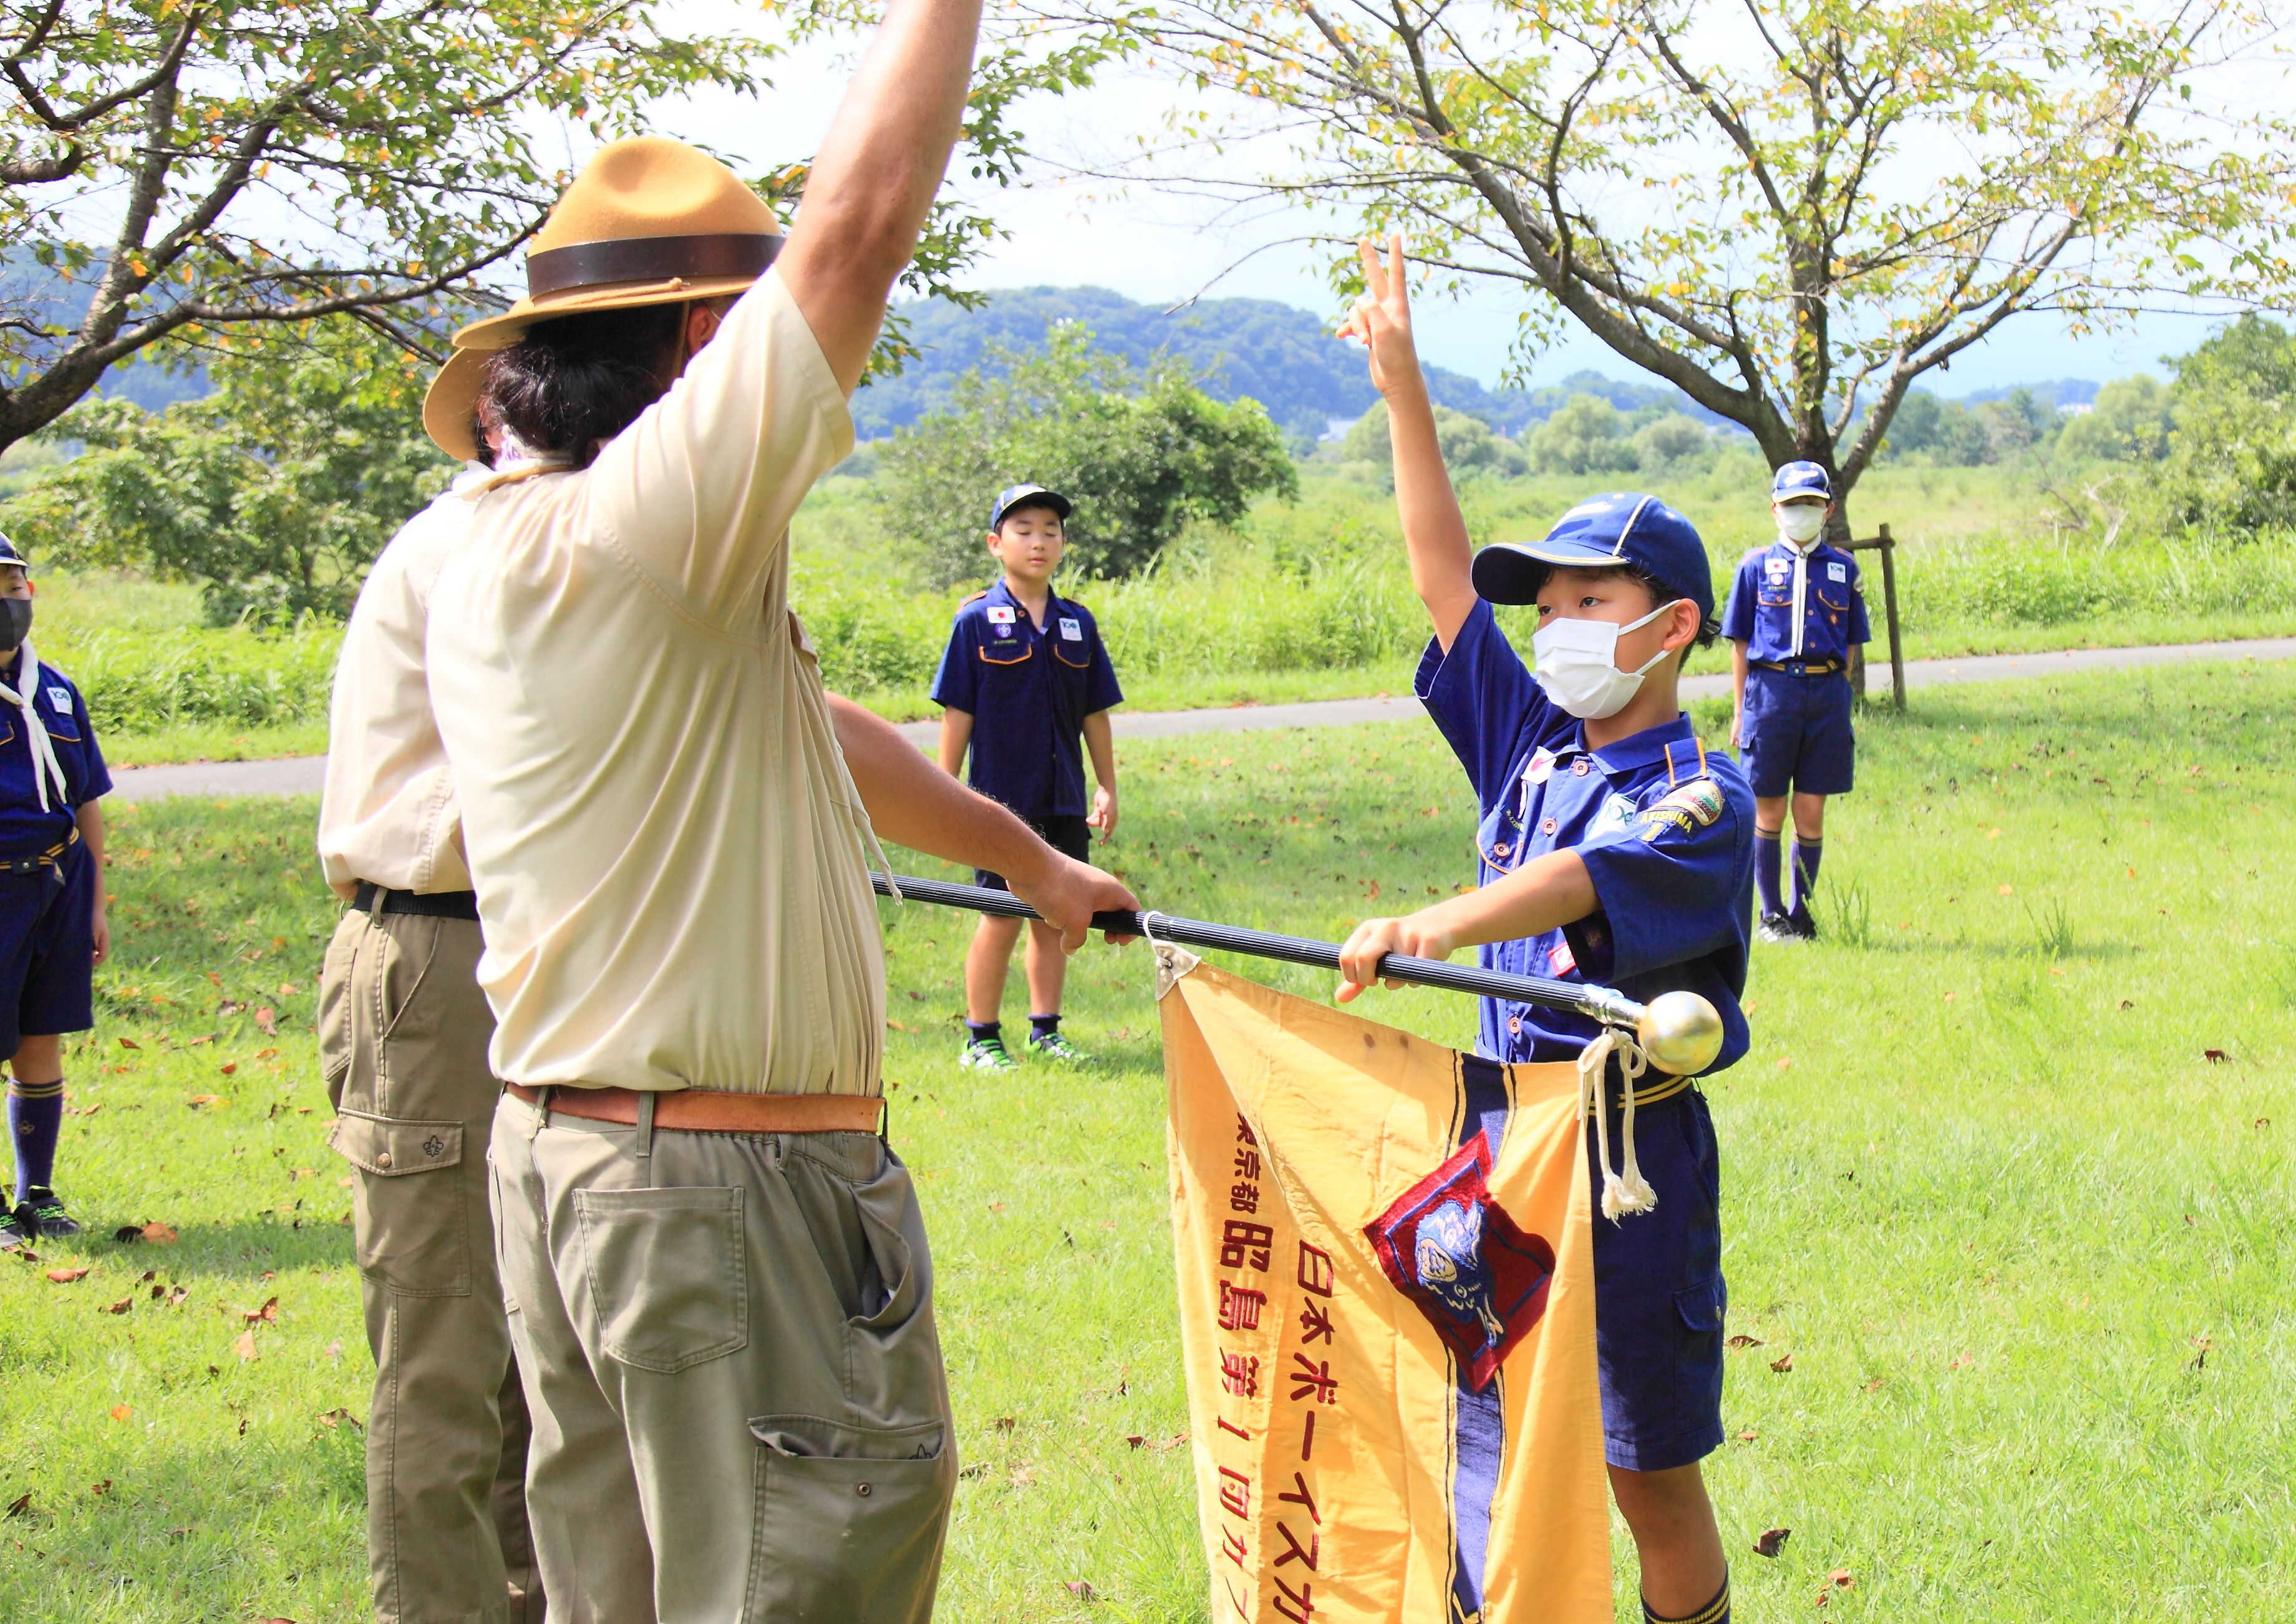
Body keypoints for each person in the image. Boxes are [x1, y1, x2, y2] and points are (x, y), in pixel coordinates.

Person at [419, 9, 1136, 1618]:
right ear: (701, 348)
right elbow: (858, 226)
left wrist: (1027, 859)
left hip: (576, 1160)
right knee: (799, 1571)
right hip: (713, 1196)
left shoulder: (501, 549)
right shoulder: (647, 524)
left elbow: (812, 728)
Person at [1332, 236, 1753, 1624]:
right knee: (1483, 1439)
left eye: (1589, 600)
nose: (1556, 622)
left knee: (1646, 1472)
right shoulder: (1530, 740)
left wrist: (1436, 920)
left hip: (1626, 1172)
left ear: (1671, 626)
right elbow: (1442, 577)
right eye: (1549, 603)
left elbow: (1584, 879)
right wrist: (1403, 390)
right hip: (1499, 1154)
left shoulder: (1704, 795)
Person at [316, 432, 545, 1620]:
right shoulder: (480, 543)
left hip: (530, 951)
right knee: (448, 1346)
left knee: (540, 1346)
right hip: (444, 947)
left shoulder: (548, 532)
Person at [931, 483, 1121, 1071]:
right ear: (996, 544)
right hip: (998, 806)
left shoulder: (1077, 623)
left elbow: (1094, 712)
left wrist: (1106, 785)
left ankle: (1046, 1031)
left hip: (1062, 801)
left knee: (1055, 914)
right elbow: (957, 713)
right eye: (1023, 530)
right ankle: (980, 1038)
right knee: (999, 917)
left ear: (1062, 543)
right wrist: (943, 796)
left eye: (1050, 531)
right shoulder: (975, 621)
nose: (1038, 541)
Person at [0, 533, 110, 1252]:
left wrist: (94, 902)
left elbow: (87, 798)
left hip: (58, 884)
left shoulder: (57, 690)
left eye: (13, 588)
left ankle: (35, 1191)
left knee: (41, 1036)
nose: (7, 603)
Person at [1721, 462, 1870, 942]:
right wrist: (1740, 711)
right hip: (1770, 694)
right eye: (1791, 504)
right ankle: (1770, 916)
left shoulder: (1844, 568)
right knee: (1769, 810)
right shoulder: (1754, 566)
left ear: (1827, 509)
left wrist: (1834, 692)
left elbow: (1851, 643)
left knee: (1809, 810)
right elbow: (1740, 643)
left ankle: (1801, 916)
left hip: (1825, 697)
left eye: (1810, 503)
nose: (1800, 511)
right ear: (1774, 509)